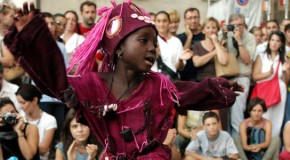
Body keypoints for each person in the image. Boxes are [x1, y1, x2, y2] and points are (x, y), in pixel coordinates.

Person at [4, 2, 240, 159]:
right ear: (118, 48)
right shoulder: (93, 86)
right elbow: (57, 82)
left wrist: (219, 89)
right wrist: (33, 37)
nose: (152, 49)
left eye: (154, 43)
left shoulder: (159, 85)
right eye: (143, 40)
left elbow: (190, 92)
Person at [252, 30, 288, 137]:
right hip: (263, 90)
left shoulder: (284, 59)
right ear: (268, 41)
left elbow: (286, 81)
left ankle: (273, 142)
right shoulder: (262, 56)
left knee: (277, 119)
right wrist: (268, 73)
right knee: (263, 116)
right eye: (272, 40)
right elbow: (255, 76)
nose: (274, 43)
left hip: (280, 90)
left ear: (281, 43)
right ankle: (260, 140)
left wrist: (286, 71)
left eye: (278, 41)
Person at [226, 13, 256, 135]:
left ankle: (237, 144)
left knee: (237, 114)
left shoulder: (250, 37)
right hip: (225, 77)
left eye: (240, 25)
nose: (237, 28)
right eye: (234, 26)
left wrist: (238, 40)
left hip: (241, 78)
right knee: (225, 115)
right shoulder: (225, 35)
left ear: (244, 25)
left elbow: (247, 59)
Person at [16, 84, 57, 160]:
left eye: (23, 103)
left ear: (35, 100)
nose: (20, 106)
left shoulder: (49, 120)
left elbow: (43, 150)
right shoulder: (19, 118)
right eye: (19, 103)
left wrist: (26, 146)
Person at [153, 11, 185, 80]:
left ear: (169, 23)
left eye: (164, 21)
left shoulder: (176, 41)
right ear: (155, 23)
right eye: (158, 21)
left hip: (171, 80)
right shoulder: (150, 40)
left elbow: (179, 67)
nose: (161, 24)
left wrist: (181, 59)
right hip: (154, 79)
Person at [177, 8, 205, 81]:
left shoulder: (205, 37)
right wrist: (189, 37)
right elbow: (182, 56)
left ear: (199, 19)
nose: (193, 21)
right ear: (185, 21)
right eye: (190, 18)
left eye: (195, 17)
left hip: (202, 79)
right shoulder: (179, 38)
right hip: (184, 79)